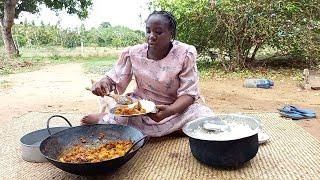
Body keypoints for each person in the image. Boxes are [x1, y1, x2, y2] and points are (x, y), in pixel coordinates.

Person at [81, 10, 214, 137]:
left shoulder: (185, 54)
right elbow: (114, 79)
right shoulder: (133, 53)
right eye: (148, 31)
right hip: (141, 108)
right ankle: (170, 130)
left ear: (171, 34)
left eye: (158, 32)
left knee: (205, 117)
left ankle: (155, 129)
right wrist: (103, 83)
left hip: (175, 108)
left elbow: (189, 94)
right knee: (123, 113)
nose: (151, 36)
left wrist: (170, 111)